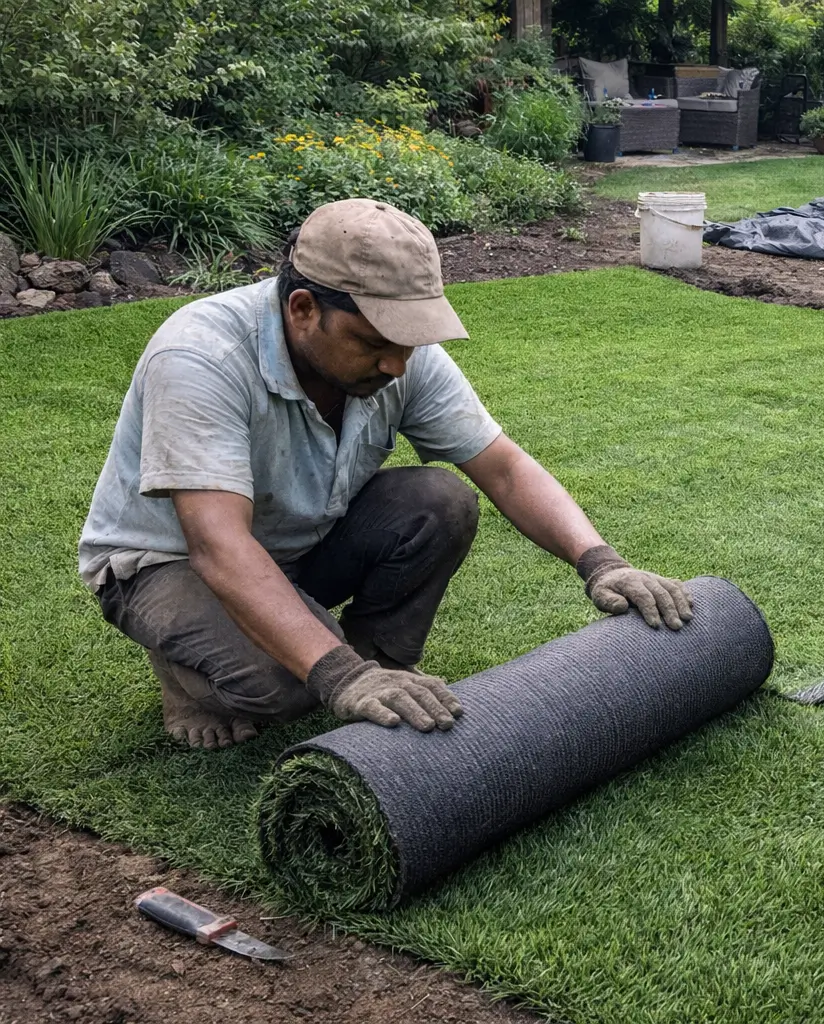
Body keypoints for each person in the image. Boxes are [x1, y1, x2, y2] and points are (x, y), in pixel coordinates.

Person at [79, 198, 694, 750]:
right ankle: (190, 679)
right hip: (167, 563)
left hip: (297, 545)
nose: (397, 365)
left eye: (409, 341)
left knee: (440, 499)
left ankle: (377, 664)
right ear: (302, 309)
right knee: (286, 688)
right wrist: (334, 674)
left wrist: (602, 562)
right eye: (376, 341)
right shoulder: (201, 356)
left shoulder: (400, 355)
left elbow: (503, 467)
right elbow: (218, 545)